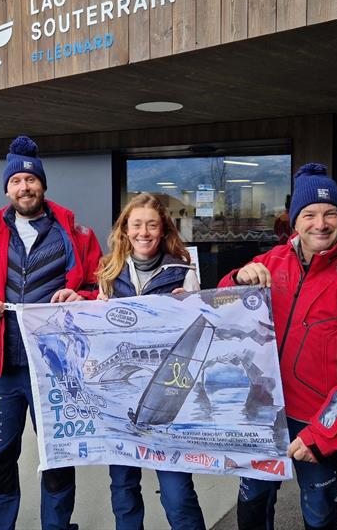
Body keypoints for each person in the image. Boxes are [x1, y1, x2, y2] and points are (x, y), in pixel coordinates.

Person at [218, 163, 337, 530]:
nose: (321, 223)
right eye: (309, 214)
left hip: (316, 420)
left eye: (331, 214)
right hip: (261, 412)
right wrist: (236, 278)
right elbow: (219, 309)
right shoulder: (269, 262)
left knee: (319, 512)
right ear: (294, 221)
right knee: (251, 505)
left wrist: (323, 434)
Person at [0, 135, 102, 530]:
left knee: (58, 456)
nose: (25, 187)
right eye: (16, 181)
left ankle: (56, 525)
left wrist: (79, 295)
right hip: (2, 371)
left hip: (57, 369)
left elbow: (103, 290)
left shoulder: (76, 234)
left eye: (31, 180)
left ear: (43, 185)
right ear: (7, 188)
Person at [95, 193, 205, 530]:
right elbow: (99, 333)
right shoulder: (108, 272)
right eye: (137, 224)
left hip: (168, 397)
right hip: (121, 405)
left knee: (177, 490)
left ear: (163, 230)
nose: (144, 232)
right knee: (124, 487)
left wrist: (192, 305)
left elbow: (199, 328)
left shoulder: (184, 271)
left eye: (152, 225)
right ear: (125, 230)